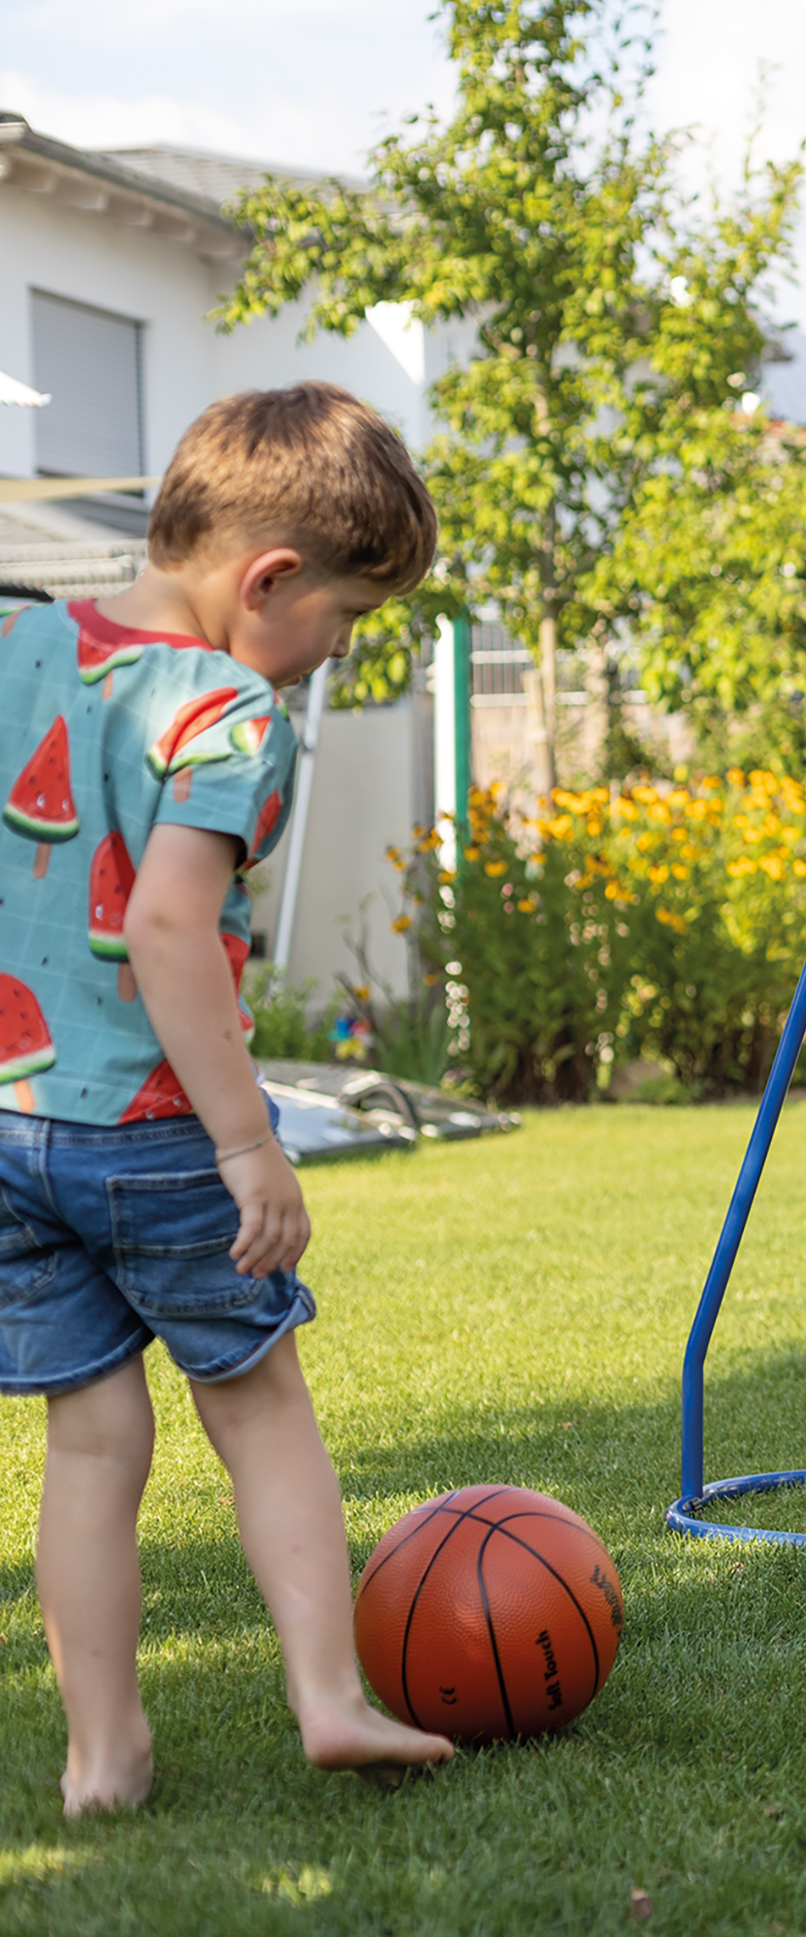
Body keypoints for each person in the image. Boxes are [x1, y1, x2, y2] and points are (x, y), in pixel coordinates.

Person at [0, 383, 455, 1814]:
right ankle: (329, 1696)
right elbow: (170, 927)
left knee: (90, 1437)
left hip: (9, 1129)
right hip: (151, 1131)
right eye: (342, 619)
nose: (330, 655)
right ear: (267, 584)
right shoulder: (227, 708)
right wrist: (251, 1141)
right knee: (258, 1409)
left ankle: (102, 1757)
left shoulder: (21, 646)